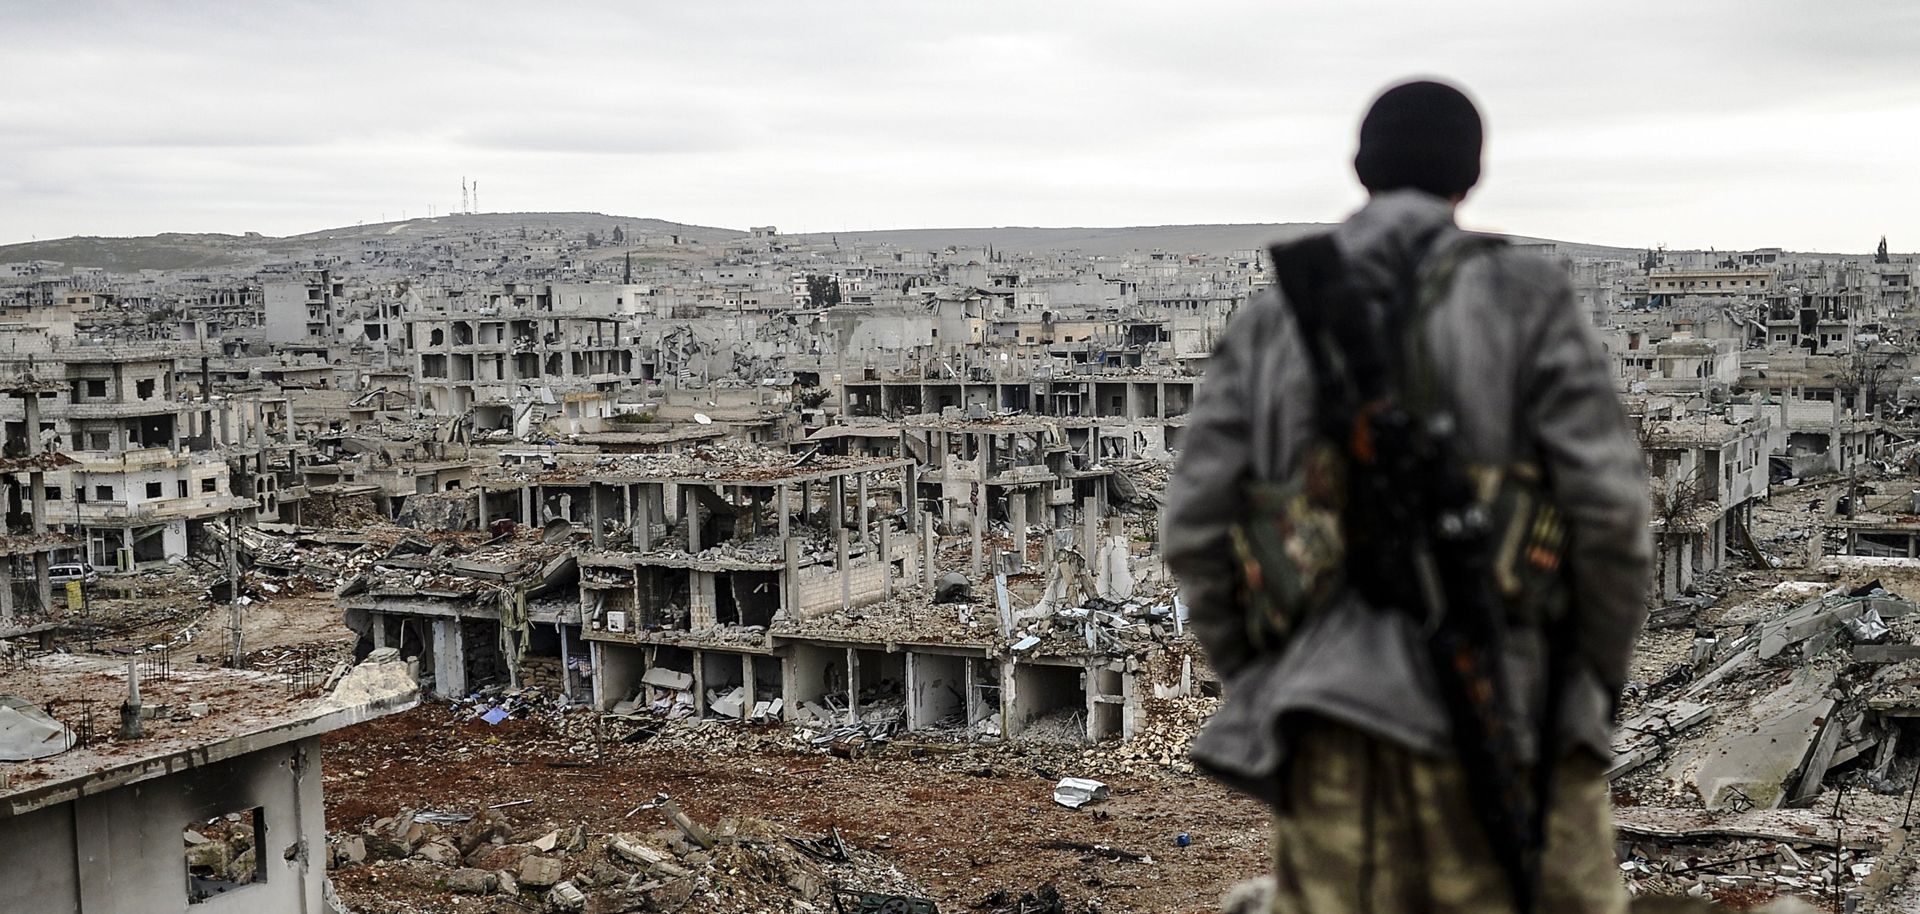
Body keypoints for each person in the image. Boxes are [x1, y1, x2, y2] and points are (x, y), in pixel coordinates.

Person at [1163, 79, 1651, 913]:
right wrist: (1587, 689)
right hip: (1514, 714)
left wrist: (1274, 675)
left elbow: (1196, 531)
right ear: (1472, 175)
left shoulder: (1273, 319)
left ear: (1361, 167)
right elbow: (1610, 520)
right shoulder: (1527, 299)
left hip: (1333, 728)